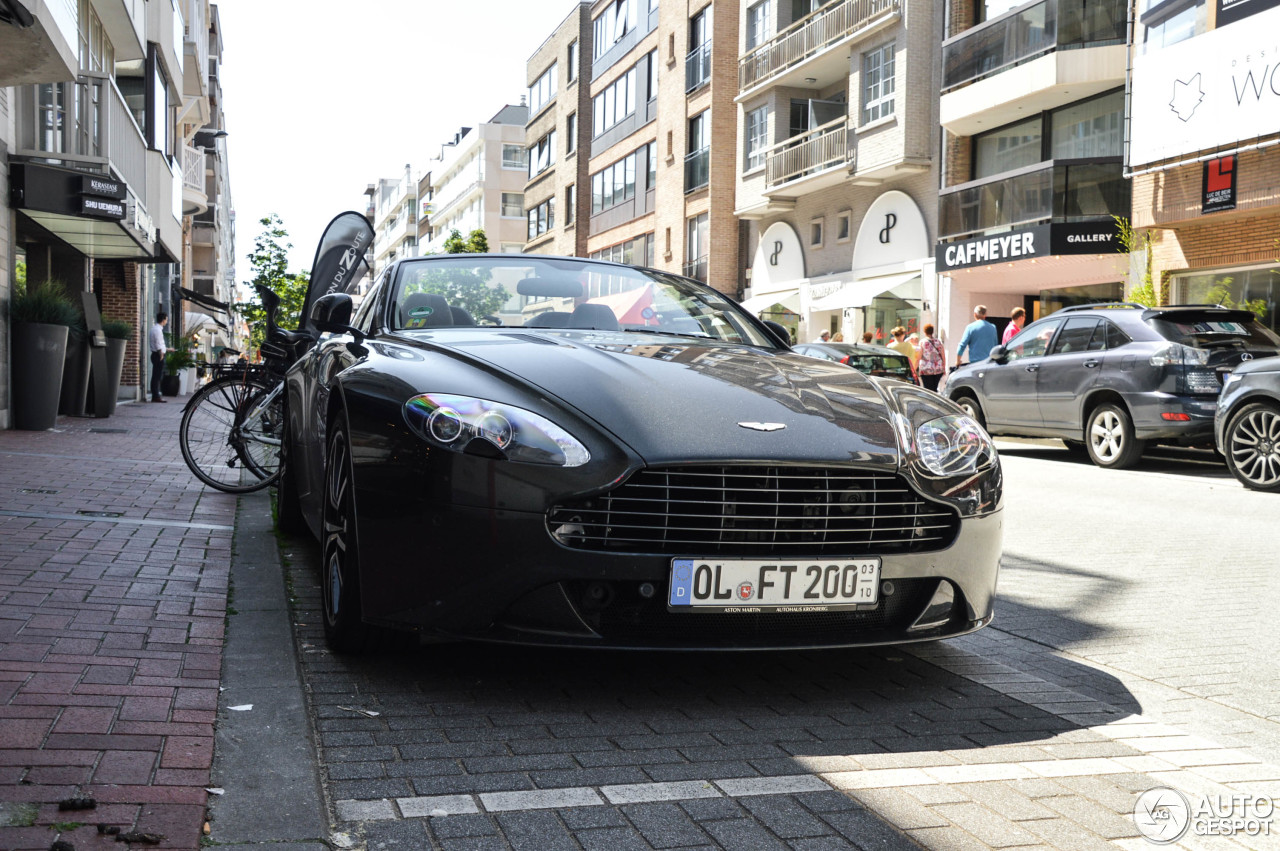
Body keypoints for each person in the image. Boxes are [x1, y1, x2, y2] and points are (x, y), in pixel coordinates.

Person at [149, 312, 173, 403]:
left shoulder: (155, 329)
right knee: (157, 376)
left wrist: (168, 349)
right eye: (166, 319)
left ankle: (155, 395)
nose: (167, 321)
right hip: (158, 355)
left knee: (156, 376)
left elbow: (159, 344)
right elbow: (158, 344)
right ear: (163, 320)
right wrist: (161, 354)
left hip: (156, 354)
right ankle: (155, 396)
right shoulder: (157, 330)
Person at [917, 324, 947, 392]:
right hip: (938, 369)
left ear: (925, 332)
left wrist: (915, 367)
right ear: (932, 332)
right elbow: (943, 355)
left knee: (927, 389)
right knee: (934, 388)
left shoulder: (922, 342)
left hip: (926, 369)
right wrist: (943, 367)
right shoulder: (938, 342)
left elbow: (919, 356)